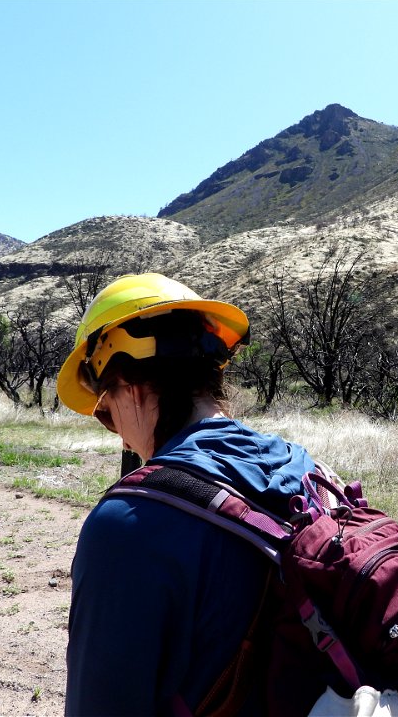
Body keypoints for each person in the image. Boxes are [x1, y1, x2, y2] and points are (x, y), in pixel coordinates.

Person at [57, 272, 316, 716]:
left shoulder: (127, 526)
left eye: (105, 411)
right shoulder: (302, 468)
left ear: (129, 384)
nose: (119, 436)